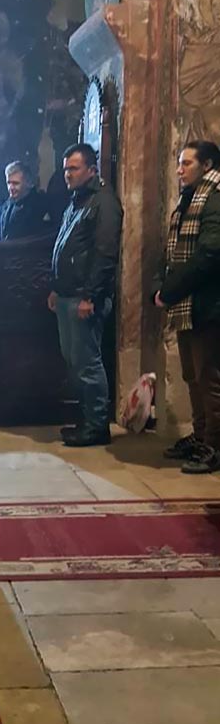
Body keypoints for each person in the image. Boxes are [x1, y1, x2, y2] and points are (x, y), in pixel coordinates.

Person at [48, 143, 122, 447]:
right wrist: (57, 288)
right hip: (68, 294)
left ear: (91, 169)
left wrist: (90, 295)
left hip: (84, 296)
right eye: (66, 169)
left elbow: (105, 252)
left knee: (88, 363)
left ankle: (97, 426)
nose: (68, 174)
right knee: (74, 361)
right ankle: (86, 420)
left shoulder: (104, 202)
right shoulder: (77, 200)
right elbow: (66, 245)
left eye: (74, 168)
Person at [154, 140, 220, 474]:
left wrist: (171, 291)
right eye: (179, 163)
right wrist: (164, 285)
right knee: (192, 376)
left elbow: (209, 253)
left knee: (210, 379)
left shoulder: (215, 198)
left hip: (208, 303)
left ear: (207, 165)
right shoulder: (190, 198)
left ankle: (214, 446)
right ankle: (200, 435)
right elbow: (175, 250)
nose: (179, 170)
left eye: (187, 163)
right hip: (188, 303)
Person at [0, 161, 50, 241]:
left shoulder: (39, 205)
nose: (10, 188)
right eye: (8, 183)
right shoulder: (1, 208)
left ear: (28, 183)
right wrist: (2, 243)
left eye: (15, 183)